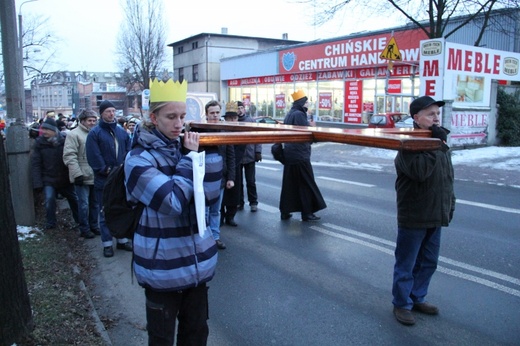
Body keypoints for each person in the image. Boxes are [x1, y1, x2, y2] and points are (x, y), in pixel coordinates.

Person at [124, 79, 218, 345]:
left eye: (183, 116)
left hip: (196, 264)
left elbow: (210, 198)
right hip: (162, 269)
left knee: (196, 334)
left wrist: (210, 153)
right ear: (153, 118)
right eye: (171, 117)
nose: (179, 124)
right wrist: (190, 159)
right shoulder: (138, 159)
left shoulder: (185, 148)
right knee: (162, 339)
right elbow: (173, 202)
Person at [392, 96, 456, 326]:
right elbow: (420, 173)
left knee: (429, 261)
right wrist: (434, 146)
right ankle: (401, 304)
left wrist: (449, 204)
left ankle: (417, 297)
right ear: (416, 119)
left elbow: (446, 177)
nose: (436, 118)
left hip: (435, 213)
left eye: (437, 114)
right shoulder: (409, 143)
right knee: (406, 263)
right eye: (430, 114)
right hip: (414, 213)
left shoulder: (437, 140)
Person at [86, 100, 132, 258]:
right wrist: (105, 170)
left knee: (121, 209)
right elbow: (93, 156)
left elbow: (129, 151)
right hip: (104, 180)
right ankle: (107, 243)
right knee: (104, 211)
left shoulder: (122, 132)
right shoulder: (95, 133)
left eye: (113, 111)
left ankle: (122, 239)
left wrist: (125, 167)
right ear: (101, 114)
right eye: (108, 111)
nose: (112, 114)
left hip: (121, 178)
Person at [279, 90, 326, 221]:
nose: (308, 104)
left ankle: (285, 211)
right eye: (306, 102)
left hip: (290, 153)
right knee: (306, 184)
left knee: (289, 184)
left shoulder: (290, 114)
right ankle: (307, 213)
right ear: (301, 103)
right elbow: (304, 136)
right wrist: (313, 128)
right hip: (300, 155)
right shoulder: (300, 115)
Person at [31, 118, 80, 229]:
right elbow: (36, 164)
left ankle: (80, 221)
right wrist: (37, 183)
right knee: (49, 199)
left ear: (54, 130)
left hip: (65, 178)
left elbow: (71, 158)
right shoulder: (39, 144)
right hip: (49, 178)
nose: (44, 132)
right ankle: (51, 223)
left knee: (74, 199)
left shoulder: (64, 141)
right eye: (43, 129)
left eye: (47, 129)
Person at [200, 100, 235, 249]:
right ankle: (204, 237)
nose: (215, 115)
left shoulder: (225, 131)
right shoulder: (199, 131)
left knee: (216, 210)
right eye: (212, 113)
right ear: (206, 114)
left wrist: (231, 178)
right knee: (205, 211)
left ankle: (215, 237)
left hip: (220, 178)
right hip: (204, 179)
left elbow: (231, 155)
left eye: (217, 112)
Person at [63, 109, 100, 239]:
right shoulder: (73, 134)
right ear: (82, 121)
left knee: (95, 204)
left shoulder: (96, 133)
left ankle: (94, 225)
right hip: (82, 175)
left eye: (94, 120)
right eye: (90, 120)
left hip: (95, 174)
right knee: (83, 204)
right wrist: (77, 174)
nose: (92, 123)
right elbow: (69, 155)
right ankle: (84, 228)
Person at [220, 102, 245, 227]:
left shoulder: (240, 131)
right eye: (230, 118)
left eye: (234, 118)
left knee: (234, 193)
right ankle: (221, 215)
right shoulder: (220, 130)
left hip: (235, 166)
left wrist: (233, 166)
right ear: (225, 119)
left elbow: (241, 150)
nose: (232, 120)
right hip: (223, 166)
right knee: (222, 195)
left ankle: (231, 216)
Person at [237, 101, 261, 212]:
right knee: (238, 182)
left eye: (241, 108)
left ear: (244, 109)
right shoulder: (233, 121)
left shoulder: (251, 121)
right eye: (238, 108)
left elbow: (257, 137)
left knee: (251, 181)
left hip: (250, 155)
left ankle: (253, 202)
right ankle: (239, 202)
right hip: (237, 157)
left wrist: (258, 152)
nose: (240, 110)